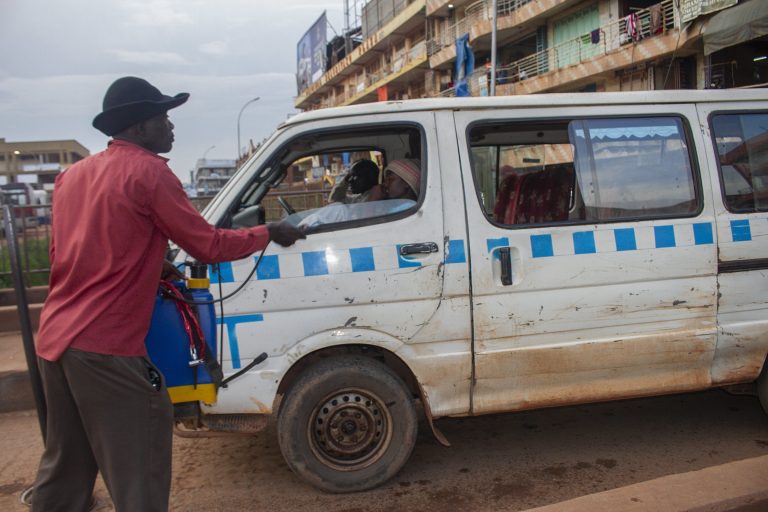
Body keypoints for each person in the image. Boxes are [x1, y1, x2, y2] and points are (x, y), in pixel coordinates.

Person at [30, 76, 305, 512]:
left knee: (66, 469)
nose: (172, 127)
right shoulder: (150, 172)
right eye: (164, 118)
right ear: (140, 127)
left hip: (55, 341)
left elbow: (73, 252)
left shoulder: (72, 177)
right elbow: (208, 245)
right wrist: (269, 231)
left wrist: (152, 264)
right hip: (106, 346)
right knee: (141, 457)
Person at [299, 158, 420, 229]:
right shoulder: (392, 203)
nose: (386, 184)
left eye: (390, 180)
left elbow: (369, 229)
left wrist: (373, 199)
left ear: (406, 183)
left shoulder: (407, 208)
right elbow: (335, 199)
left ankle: (300, 230)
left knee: (339, 209)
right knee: (338, 207)